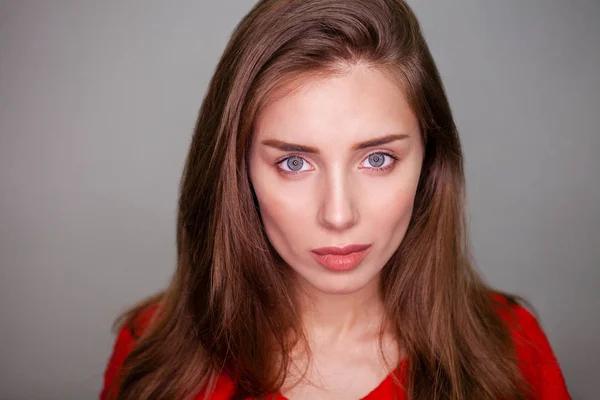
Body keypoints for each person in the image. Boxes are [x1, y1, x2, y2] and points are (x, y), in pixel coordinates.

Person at [100, 0, 571, 399]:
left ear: (429, 162)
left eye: (379, 159)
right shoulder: (152, 358)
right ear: (237, 172)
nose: (339, 215)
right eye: (294, 163)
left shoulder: (514, 348)